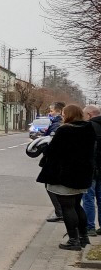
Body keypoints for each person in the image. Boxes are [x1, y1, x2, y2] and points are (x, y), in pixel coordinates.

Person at [36, 104, 95, 250]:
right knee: (77, 206)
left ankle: (73, 240)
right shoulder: (89, 128)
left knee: (67, 207)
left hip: (65, 175)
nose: (62, 116)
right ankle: (83, 237)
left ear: (68, 115)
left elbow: (52, 151)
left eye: (63, 114)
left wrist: (44, 147)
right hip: (83, 174)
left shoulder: (65, 130)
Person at [42, 101, 67, 223]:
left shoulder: (57, 124)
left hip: (55, 161)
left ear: (59, 111)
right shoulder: (57, 123)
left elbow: (52, 143)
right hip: (57, 161)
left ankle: (61, 213)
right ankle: (62, 212)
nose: (49, 113)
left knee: (51, 186)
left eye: (51, 111)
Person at [82, 105, 101, 237]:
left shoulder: (88, 127)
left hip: (91, 169)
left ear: (89, 114)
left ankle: (90, 227)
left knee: (88, 198)